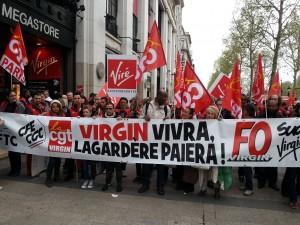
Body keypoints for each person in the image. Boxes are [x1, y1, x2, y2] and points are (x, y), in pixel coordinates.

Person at [138, 90, 171, 195]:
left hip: (161, 141)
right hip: (148, 140)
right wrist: (144, 118)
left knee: (161, 165)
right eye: (164, 98)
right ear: (158, 96)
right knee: (147, 164)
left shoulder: (167, 108)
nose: (165, 100)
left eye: (166, 98)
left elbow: (171, 122)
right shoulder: (148, 106)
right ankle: (145, 184)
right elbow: (139, 118)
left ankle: (160, 186)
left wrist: (167, 120)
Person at [0, 91, 26, 176]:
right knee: (10, 151)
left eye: (15, 95)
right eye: (11, 96)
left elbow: (21, 117)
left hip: (16, 130)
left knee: (16, 151)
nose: (14, 97)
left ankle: (17, 170)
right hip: (7, 131)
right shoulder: (4, 105)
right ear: (8, 97)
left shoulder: (20, 105)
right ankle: (12, 169)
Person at [101, 102, 123, 192]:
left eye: (110, 108)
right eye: (107, 108)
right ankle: (107, 183)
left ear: (114, 109)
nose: (109, 110)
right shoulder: (101, 119)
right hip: (107, 147)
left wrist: (122, 120)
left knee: (118, 168)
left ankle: (119, 184)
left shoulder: (118, 118)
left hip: (117, 147)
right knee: (108, 168)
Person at [44, 100, 65, 187]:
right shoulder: (47, 115)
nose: (55, 108)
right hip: (51, 140)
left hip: (59, 140)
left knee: (58, 160)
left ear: (59, 107)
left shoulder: (63, 115)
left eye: (57, 106)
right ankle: (48, 178)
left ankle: (56, 176)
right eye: (53, 106)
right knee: (52, 159)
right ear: (51, 107)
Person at [80, 106, 97, 189]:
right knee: (85, 164)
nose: (85, 114)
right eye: (84, 112)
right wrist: (77, 120)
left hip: (92, 146)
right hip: (84, 145)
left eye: (87, 112)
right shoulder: (80, 120)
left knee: (92, 164)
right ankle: (86, 179)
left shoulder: (94, 120)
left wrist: (95, 119)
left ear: (90, 113)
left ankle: (92, 179)